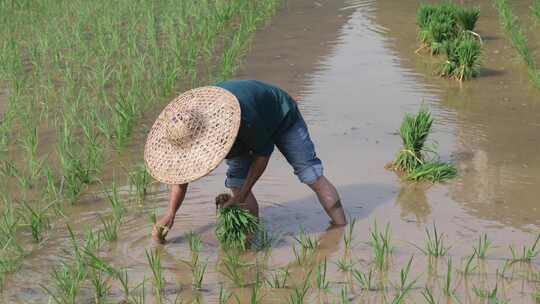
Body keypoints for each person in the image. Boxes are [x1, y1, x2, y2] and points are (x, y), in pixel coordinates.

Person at [144, 80, 346, 244]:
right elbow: (182, 176)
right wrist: (171, 213)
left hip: (282, 117)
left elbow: (263, 154)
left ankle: (342, 231)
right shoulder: (192, 128)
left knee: (310, 174)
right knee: (236, 184)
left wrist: (241, 196)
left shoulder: (239, 115)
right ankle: (251, 242)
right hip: (242, 132)